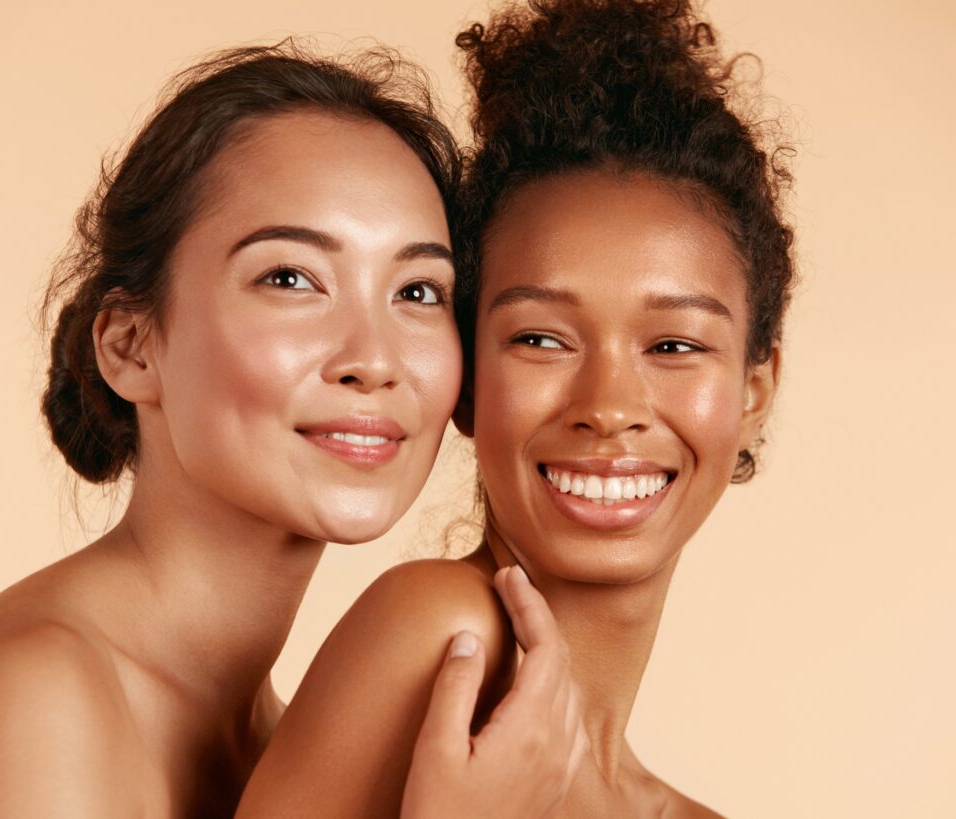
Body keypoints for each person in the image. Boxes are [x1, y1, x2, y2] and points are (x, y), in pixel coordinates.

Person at [0, 44, 583, 818]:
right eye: (290, 278)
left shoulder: (286, 747)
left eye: (417, 289)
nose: (374, 361)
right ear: (130, 346)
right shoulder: (34, 691)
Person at [236, 0, 795, 816]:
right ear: (466, 383)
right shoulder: (439, 637)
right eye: (541, 339)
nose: (608, 407)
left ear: (754, 390)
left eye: (674, 346)